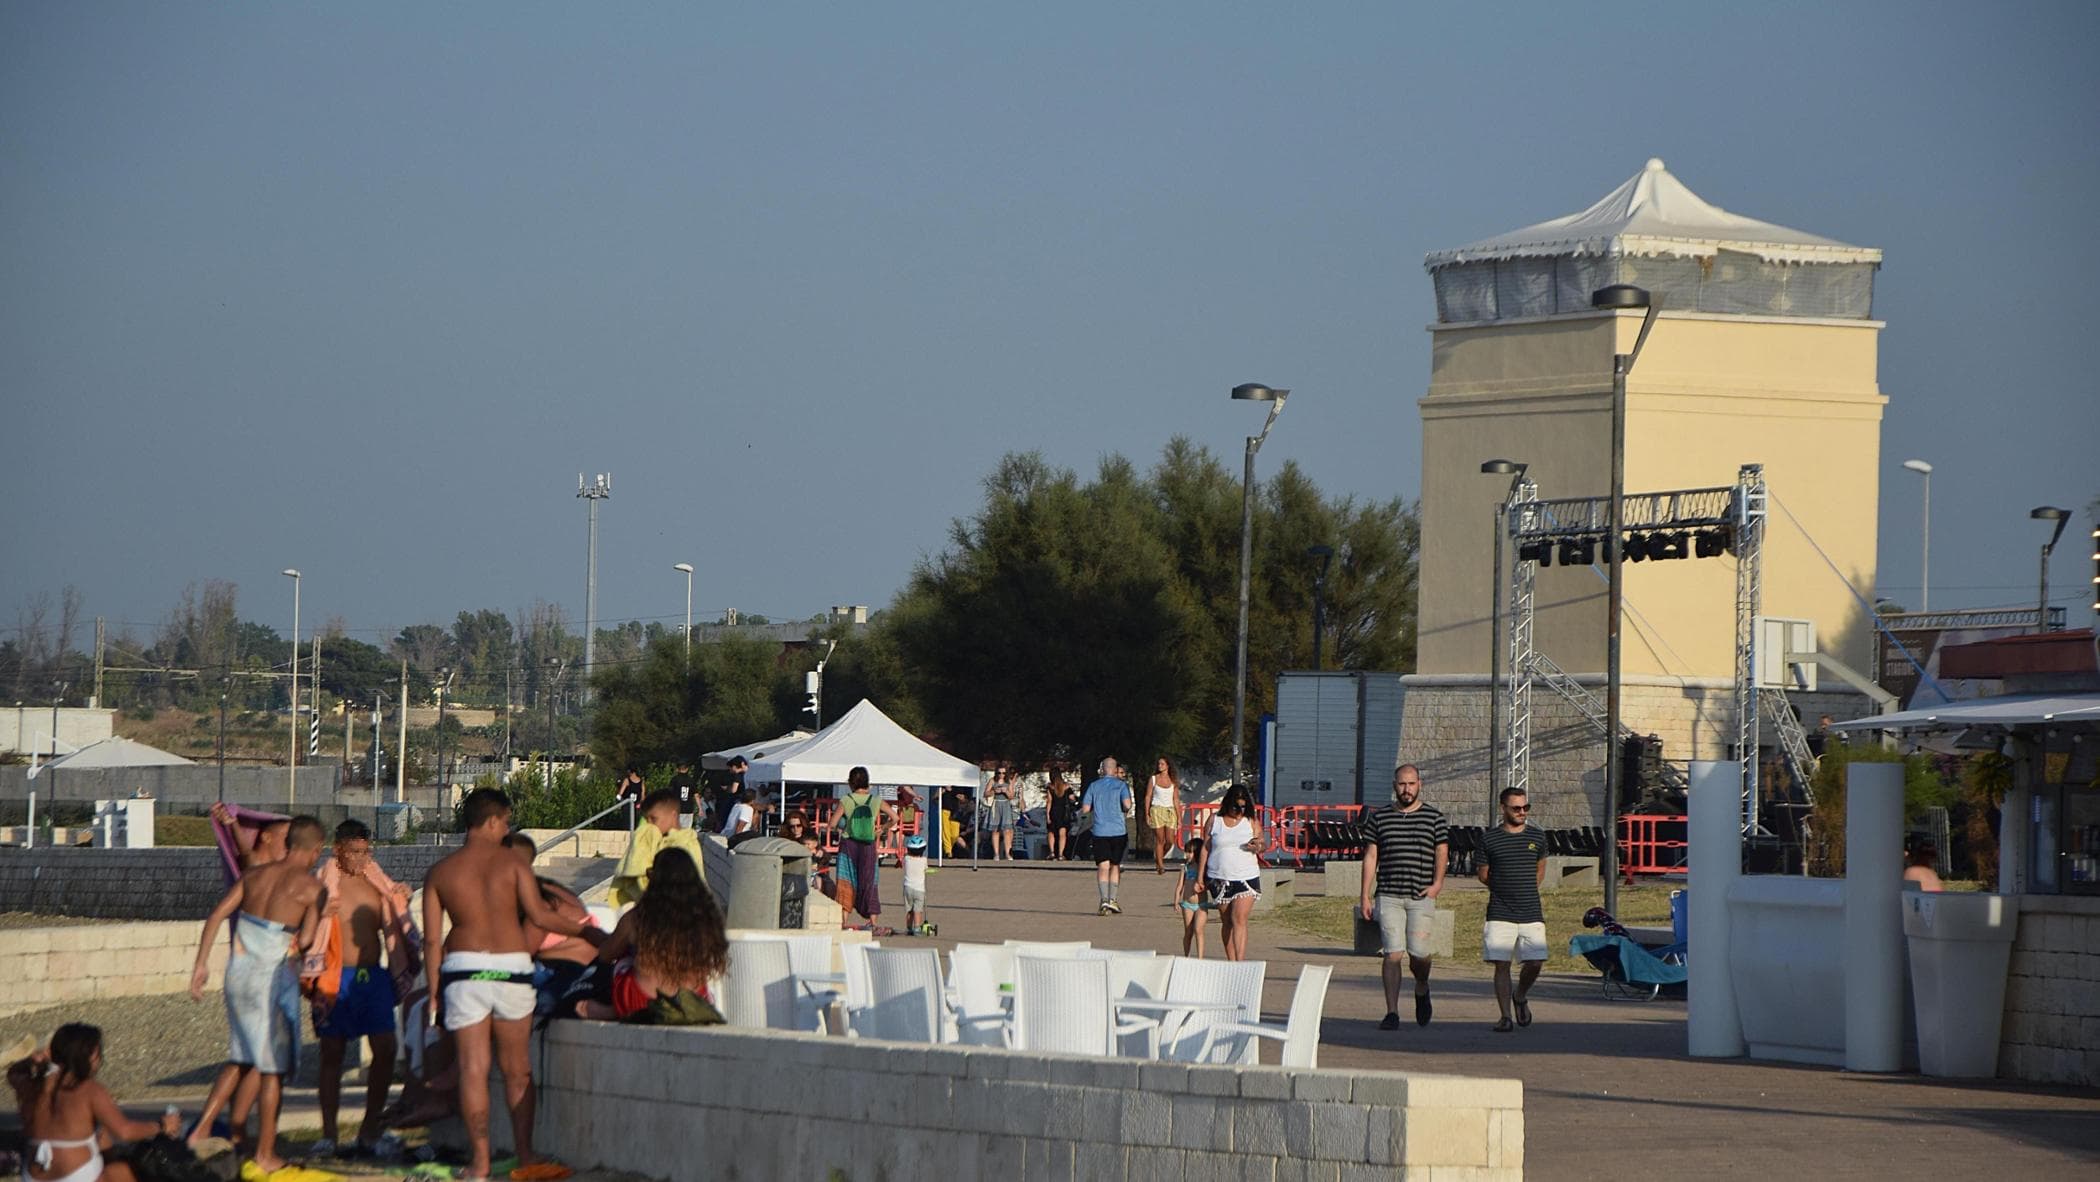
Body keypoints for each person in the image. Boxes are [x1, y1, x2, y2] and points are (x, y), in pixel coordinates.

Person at [422, 787, 601, 1182]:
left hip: (465, 971)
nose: (507, 829)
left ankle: (481, 1164)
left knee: (472, 1069)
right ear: (491, 821)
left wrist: (436, 991)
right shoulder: (513, 865)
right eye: (505, 822)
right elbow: (540, 915)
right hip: (512, 969)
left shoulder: (442, 871)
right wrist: (587, 933)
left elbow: (432, 941)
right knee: (517, 1070)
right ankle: (525, 1154)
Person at [188, 815, 327, 1174]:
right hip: (271, 978)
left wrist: (200, 965)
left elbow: (217, 914)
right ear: (316, 850)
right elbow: (308, 941)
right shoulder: (312, 887)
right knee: (271, 1071)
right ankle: (266, 1153)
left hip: (238, 974)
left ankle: (202, 1128)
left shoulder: (252, 875)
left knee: (241, 1056)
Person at [311, 820, 407, 1159]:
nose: (361, 858)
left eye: (366, 851)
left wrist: (400, 897)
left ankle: (369, 1129)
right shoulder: (323, 883)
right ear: (338, 850)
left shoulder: (375, 881)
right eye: (354, 852)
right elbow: (302, 926)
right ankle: (328, 1134)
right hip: (335, 976)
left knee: (386, 1048)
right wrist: (318, 911)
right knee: (332, 1053)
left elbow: (395, 913)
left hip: (372, 976)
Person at [9, 1024, 182, 1182]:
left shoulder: (32, 1085)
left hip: (33, 1176)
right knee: (124, 1172)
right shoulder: (88, 1089)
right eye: (98, 1054)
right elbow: (124, 1132)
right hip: (76, 1176)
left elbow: (13, 1073)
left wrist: (35, 1060)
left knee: (101, 1134)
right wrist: (162, 1125)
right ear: (89, 1056)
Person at [577, 848, 727, 1024]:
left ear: (655, 879)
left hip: (640, 1000)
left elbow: (606, 954)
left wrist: (589, 933)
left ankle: (615, 1011)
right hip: (690, 1000)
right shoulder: (706, 921)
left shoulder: (638, 918)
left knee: (625, 958)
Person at [1359, 764, 1449, 1031]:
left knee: (1419, 953)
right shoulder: (1380, 817)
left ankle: (1422, 986)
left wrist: (1437, 884)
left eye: (1411, 784)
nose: (1406, 789)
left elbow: (1442, 851)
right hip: (1389, 894)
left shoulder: (1434, 817)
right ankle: (1392, 1012)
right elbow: (1371, 856)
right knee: (1393, 954)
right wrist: (1365, 895)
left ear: (1419, 784)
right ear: (1394, 785)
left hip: (1420, 894)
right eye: (1401, 784)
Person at [1477, 787, 1548, 1033]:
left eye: (1525, 807)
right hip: (1500, 911)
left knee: (1536, 962)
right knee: (1502, 964)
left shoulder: (1537, 837)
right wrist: (1503, 887)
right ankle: (1505, 1016)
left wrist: (1525, 887)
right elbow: (1483, 874)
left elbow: (1540, 869)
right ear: (1503, 808)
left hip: (1530, 910)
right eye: (1516, 808)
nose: (1522, 812)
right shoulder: (1490, 839)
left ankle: (1520, 995)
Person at [1194, 784, 1264, 960]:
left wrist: (1258, 845)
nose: (1239, 811)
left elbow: (1263, 842)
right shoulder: (1214, 820)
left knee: (1238, 918)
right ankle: (1231, 961)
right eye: (1236, 807)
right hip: (1219, 877)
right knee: (1227, 921)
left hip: (1246, 876)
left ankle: (1240, 963)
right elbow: (1206, 848)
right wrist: (1200, 876)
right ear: (1227, 803)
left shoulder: (1251, 821)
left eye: (1243, 807)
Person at [611, 789, 705, 906]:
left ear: (673, 815)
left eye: (654, 819)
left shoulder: (686, 844)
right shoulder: (654, 842)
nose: (650, 825)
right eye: (647, 820)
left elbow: (681, 883)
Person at [830, 767, 892, 930]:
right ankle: (873, 921)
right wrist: (882, 828)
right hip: (868, 844)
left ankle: (843, 920)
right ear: (867, 782)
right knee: (870, 880)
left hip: (848, 844)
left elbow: (832, 824)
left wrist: (842, 829)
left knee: (845, 880)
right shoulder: (876, 800)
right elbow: (895, 817)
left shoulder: (846, 799)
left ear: (851, 783)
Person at [1079, 758, 1133, 915]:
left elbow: (1086, 808)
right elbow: (1128, 805)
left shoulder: (1094, 786)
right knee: (1115, 865)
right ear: (1115, 770)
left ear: (1102, 769)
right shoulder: (1121, 785)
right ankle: (1113, 900)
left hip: (1100, 831)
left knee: (1103, 866)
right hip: (1118, 830)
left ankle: (1103, 900)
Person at [1176, 834, 1213, 957]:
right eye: (1186, 852)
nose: (1187, 855)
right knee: (1188, 931)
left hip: (1201, 904)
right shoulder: (1185, 868)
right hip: (1187, 904)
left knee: (1199, 930)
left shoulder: (1204, 869)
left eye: (1190, 852)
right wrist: (1176, 901)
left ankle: (1200, 958)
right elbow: (1179, 886)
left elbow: (1209, 884)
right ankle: (1186, 955)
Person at [1147, 758, 1181, 874]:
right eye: (1158, 764)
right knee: (1160, 839)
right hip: (1157, 809)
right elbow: (1148, 796)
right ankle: (1161, 866)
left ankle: (1159, 858)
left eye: (1162, 764)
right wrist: (1147, 814)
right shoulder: (1153, 779)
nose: (1159, 766)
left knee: (1170, 840)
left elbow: (1176, 799)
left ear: (1168, 765)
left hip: (1170, 811)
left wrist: (1179, 817)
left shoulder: (1173, 781)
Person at [902, 833, 931, 936]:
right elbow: (926, 869)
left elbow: (902, 864)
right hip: (919, 889)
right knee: (918, 909)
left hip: (908, 888)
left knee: (909, 909)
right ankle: (917, 927)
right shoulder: (923, 860)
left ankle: (909, 928)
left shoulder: (906, 859)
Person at [987, 767, 1017, 861]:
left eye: (1003, 773)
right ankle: (996, 854)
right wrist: (993, 791)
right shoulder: (992, 781)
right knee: (995, 830)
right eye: (999, 773)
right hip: (996, 805)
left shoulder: (1009, 781)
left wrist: (1006, 791)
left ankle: (1008, 853)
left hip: (1006, 805)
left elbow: (1012, 796)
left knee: (1007, 830)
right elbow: (986, 793)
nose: (1001, 775)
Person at [1045, 772, 1074, 861]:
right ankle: (1061, 854)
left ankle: (1052, 852)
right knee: (1062, 834)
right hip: (1063, 813)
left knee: (1051, 832)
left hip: (1054, 812)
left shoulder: (1051, 788)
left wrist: (1047, 815)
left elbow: (1049, 802)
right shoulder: (1066, 787)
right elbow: (1072, 798)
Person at [668, 760, 700, 829]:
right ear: (687, 769)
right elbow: (696, 795)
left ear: (677, 769)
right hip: (688, 809)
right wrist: (700, 808)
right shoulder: (691, 780)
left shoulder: (674, 780)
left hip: (677, 809)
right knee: (687, 830)